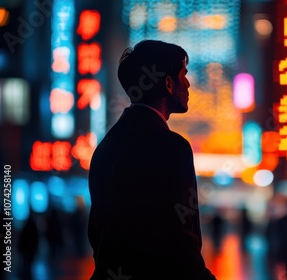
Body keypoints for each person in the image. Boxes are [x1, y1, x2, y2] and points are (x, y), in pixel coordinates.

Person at [88, 40, 215, 280]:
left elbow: (96, 233)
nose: (188, 84)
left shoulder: (105, 148)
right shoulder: (172, 147)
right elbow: (182, 237)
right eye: (183, 75)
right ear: (168, 83)